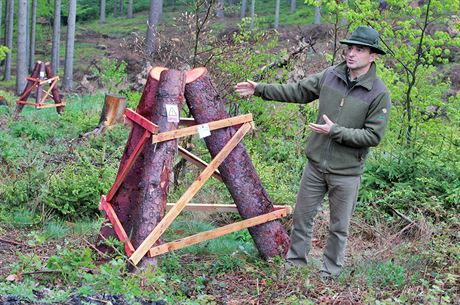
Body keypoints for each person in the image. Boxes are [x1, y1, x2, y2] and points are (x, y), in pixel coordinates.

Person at [234, 26, 391, 277]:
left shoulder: (378, 93)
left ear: (373, 56)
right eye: (349, 48)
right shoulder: (331, 75)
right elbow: (298, 91)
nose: (351, 54)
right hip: (316, 165)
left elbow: (373, 136)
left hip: (347, 172)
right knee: (302, 218)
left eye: (359, 50)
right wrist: (259, 88)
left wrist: (335, 131)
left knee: (339, 227)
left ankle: (329, 274)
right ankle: (295, 266)